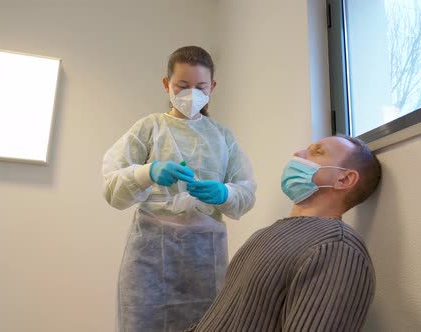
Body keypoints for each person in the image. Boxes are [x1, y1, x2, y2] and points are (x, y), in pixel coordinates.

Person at [102, 46, 257, 332]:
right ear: (166, 84)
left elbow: (246, 191)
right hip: (149, 257)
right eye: (182, 86)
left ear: (212, 87)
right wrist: (146, 172)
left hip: (204, 259)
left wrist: (226, 193)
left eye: (200, 86)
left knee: (205, 324)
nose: (191, 94)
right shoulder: (150, 128)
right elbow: (112, 187)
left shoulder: (222, 137)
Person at [184, 135, 381, 332]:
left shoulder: (338, 248)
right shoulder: (265, 234)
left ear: (344, 179)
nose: (298, 155)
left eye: (317, 152)